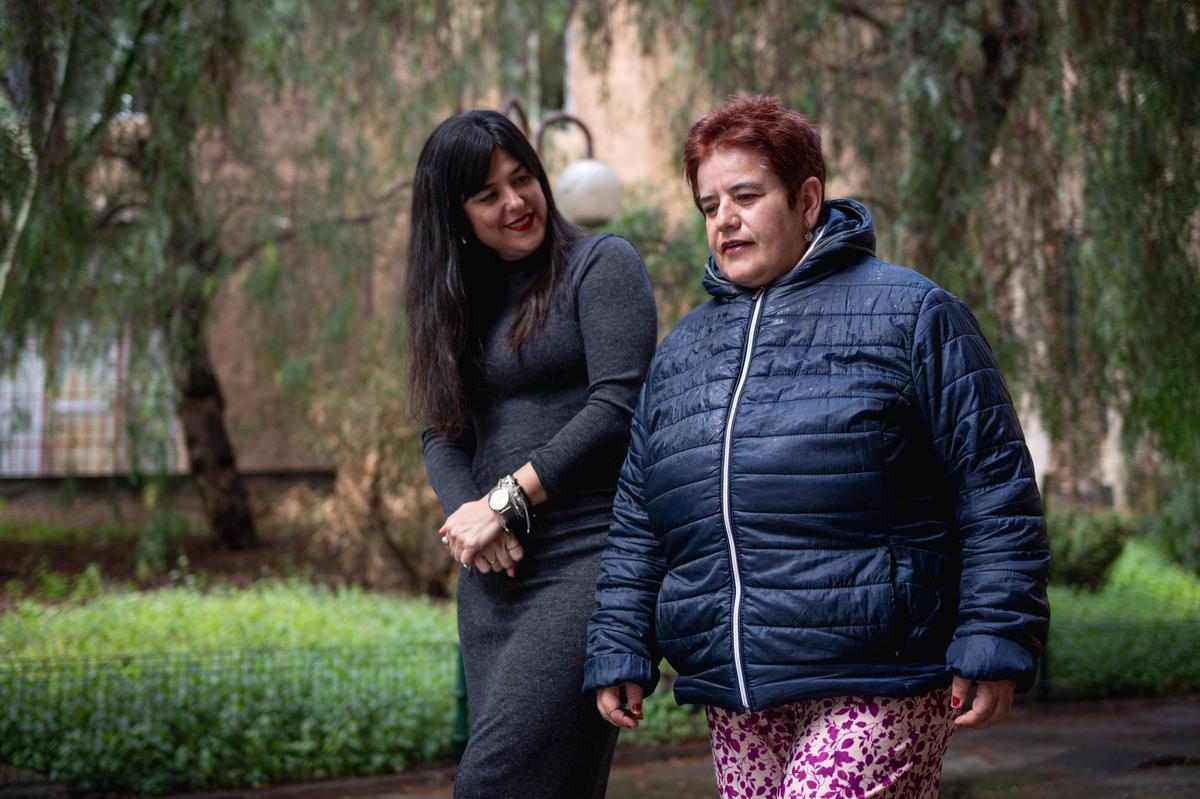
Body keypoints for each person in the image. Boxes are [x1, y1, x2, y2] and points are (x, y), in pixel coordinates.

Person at [584, 95, 1050, 798]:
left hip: (879, 674)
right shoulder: (682, 355)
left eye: (746, 195)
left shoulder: (913, 314)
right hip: (740, 690)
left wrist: (994, 636)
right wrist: (621, 642)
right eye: (710, 205)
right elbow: (642, 522)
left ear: (807, 199)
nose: (725, 220)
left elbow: (993, 487)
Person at [407, 109, 657, 799]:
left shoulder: (601, 266)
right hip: (494, 580)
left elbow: (617, 408)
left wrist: (504, 500)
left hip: (587, 561)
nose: (516, 202)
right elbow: (442, 433)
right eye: (488, 194)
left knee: (493, 782)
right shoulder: (456, 300)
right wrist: (468, 514)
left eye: (523, 179)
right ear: (455, 212)